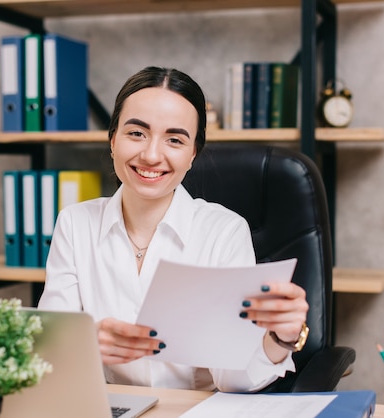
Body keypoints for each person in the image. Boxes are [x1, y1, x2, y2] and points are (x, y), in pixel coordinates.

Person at [38, 66, 309, 392]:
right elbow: (46, 358)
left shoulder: (224, 233)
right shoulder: (74, 224)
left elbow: (233, 379)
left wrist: (282, 336)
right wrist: (82, 346)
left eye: (175, 139)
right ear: (112, 141)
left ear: (193, 153)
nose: (152, 155)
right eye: (136, 133)